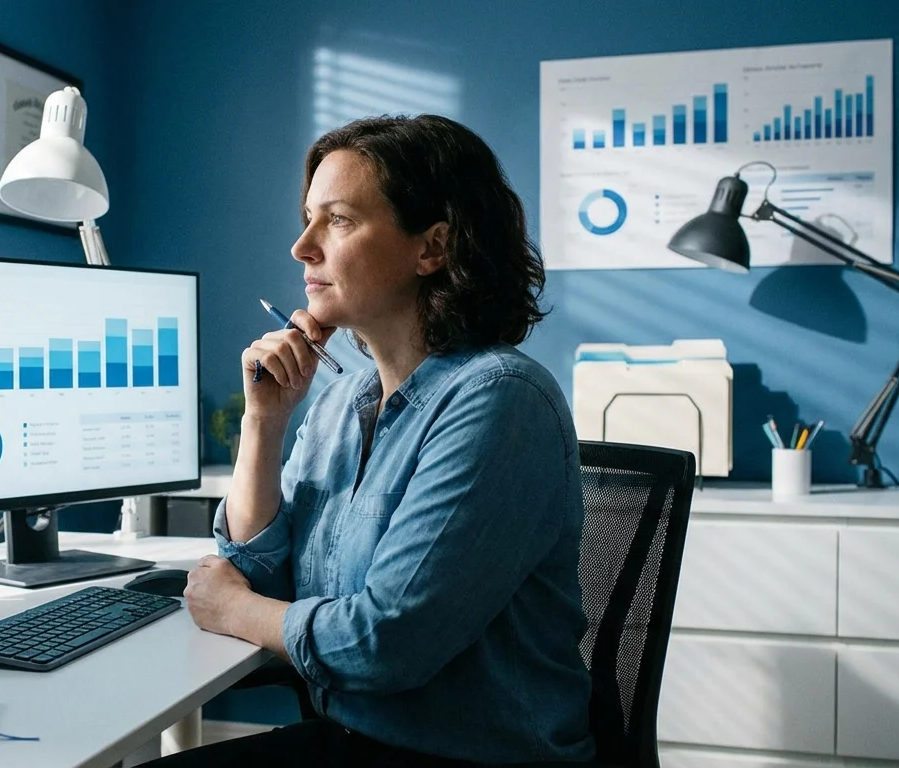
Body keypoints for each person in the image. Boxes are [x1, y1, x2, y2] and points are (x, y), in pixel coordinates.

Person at [147, 115, 595, 767]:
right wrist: (264, 423)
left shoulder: (498, 399)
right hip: (351, 740)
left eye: (338, 220)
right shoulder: (339, 402)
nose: (302, 247)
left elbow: (385, 643)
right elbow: (253, 572)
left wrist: (233, 610)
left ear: (432, 247)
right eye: (307, 219)